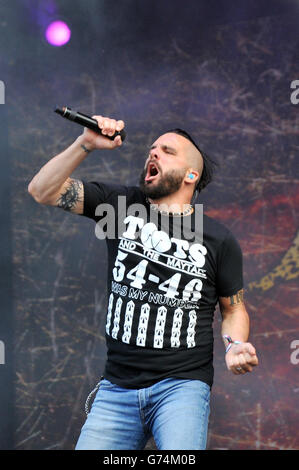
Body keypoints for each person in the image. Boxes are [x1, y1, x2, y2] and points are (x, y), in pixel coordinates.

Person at [28, 115, 259, 450]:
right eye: (152, 149)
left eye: (167, 151)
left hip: (181, 387)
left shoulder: (219, 240)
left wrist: (234, 344)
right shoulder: (121, 207)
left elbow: (233, 308)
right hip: (117, 388)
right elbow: (42, 190)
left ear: (191, 175)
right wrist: (85, 144)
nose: (154, 154)